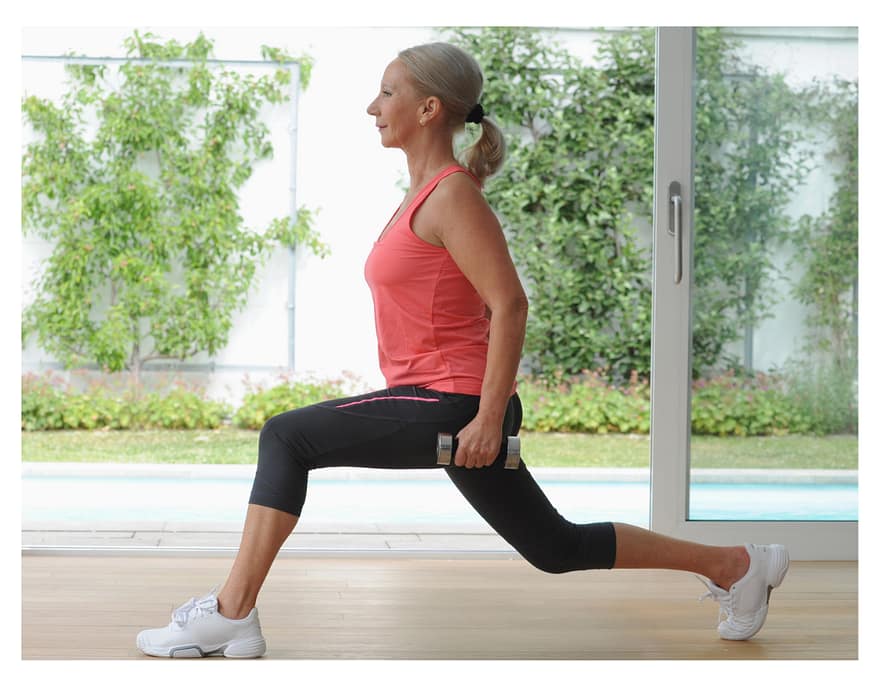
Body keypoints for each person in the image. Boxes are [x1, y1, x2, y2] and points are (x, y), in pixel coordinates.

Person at [136, 42, 789, 658]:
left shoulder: (453, 196)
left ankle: (232, 610)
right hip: (444, 400)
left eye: (387, 93)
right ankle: (736, 566)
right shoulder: (423, 194)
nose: (373, 107)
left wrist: (486, 414)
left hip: (453, 403)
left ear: (428, 109)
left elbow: (510, 304)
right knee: (553, 545)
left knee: (285, 437)